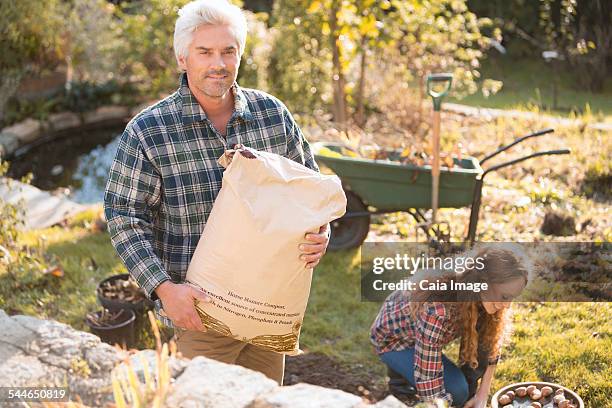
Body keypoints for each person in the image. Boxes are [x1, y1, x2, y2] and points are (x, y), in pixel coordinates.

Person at [103, 0, 330, 385]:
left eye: (228, 51)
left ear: (240, 55)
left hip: (270, 306)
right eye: (204, 52)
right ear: (182, 58)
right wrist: (163, 289)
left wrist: (322, 234)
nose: (218, 64)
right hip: (199, 315)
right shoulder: (149, 132)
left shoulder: (273, 115)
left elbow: (311, 190)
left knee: (263, 398)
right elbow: (124, 216)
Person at [370, 246, 530, 407]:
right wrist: (440, 403)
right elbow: (428, 378)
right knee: (457, 393)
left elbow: (491, 343)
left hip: (422, 334)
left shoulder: (482, 293)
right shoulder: (438, 308)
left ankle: (467, 394)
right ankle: (399, 379)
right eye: (504, 297)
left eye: (512, 298)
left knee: (465, 391)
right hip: (394, 340)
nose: (507, 305)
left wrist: (482, 394)